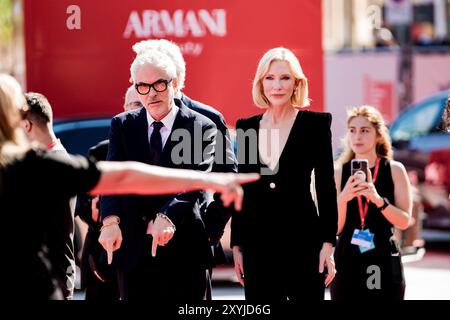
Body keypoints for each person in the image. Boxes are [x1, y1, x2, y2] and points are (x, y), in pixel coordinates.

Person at [0, 73, 258, 300]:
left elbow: (123, 177)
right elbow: (124, 177)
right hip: (35, 283)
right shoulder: (39, 165)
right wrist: (207, 179)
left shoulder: (38, 165)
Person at [99, 50, 222, 301]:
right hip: (134, 251)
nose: (151, 93)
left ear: (174, 84)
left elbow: (195, 178)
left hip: (184, 250)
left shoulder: (200, 125)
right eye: (142, 86)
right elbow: (114, 175)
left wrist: (167, 215)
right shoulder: (122, 125)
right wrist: (110, 221)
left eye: (159, 84)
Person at [133, 39, 238, 299]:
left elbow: (229, 176)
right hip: (141, 247)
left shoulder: (208, 118)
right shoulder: (135, 115)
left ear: (173, 76)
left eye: (156, 78)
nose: (148, 88)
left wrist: (210, 230)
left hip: (190, 246)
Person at [231, 47, 338, 301]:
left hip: (304, 241)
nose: (277, 85)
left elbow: (325, 187)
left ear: (296, 83)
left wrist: (328, 243)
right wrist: (237, 245)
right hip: (258, 244)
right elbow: (242, 189)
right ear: (260, 83)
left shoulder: (315, 124)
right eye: (270, 78)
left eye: (285, 78)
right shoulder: (247, 127)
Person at [330, 105, 412, 300]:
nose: (357, 136)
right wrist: (343, 199)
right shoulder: (338, 172)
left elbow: (403, 221)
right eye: (352, 131)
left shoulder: (394, 170)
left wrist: (377, 200)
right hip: (348, 258)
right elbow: (334, 228)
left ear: (378, 135)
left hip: (383, 256)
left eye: (365, 130)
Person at [76, 85, 143, 300]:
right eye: (134, 104)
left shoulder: (156, 149)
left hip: (141, 259)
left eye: (142, 105)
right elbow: (83, 208)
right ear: (123, 108)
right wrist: (98, 210)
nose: (138, 110)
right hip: (104, 261)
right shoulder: (100, 151)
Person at [21, 92, 77, 299]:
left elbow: (57, 234)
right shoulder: (50, 161)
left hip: (51, 282)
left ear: (26, 126)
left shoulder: (54, 165)